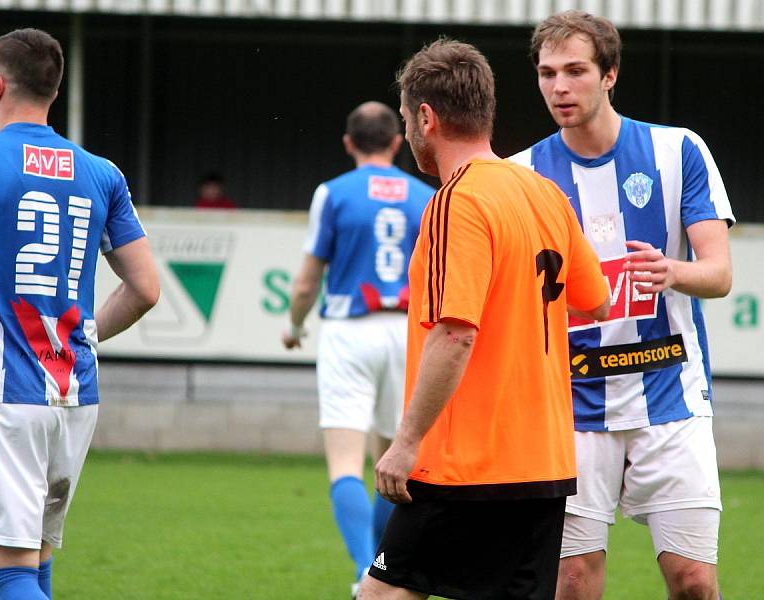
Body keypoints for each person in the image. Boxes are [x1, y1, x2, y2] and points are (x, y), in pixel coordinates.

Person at [358, 39, 610, 600]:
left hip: (468, 462)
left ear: (425, 118)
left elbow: (455, 332)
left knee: (382, 594)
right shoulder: (545, 193)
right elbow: (595, 301)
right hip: (544, 461)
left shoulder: (458, 199)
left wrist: (405, 442)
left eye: (407, 117)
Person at [510, 11, 734, 600]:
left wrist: (672, 270)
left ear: (609, 74)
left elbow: (718, 274)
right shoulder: (522, 176)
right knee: (572, 581)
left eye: (576, 70)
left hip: (672, 393)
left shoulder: (678, 149)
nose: (560, 87)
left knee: (692, 582)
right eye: (547, 73)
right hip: (572, 405)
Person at [0, 29, 159, 599]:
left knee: (6, 575)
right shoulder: (102, 173)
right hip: (75, 390)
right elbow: (145, 289)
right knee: (37, 561)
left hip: (3, 391)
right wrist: (86, 332)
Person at [281, 101, 434, 597]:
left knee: (345, 462)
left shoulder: (333, 193)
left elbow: (307, 282)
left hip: (350, 330)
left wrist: (294, 325)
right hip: (407, 333)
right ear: (396, 143)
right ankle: (384, 574)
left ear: (348, 143)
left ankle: (362, 573)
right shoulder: (426, 196)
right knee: (393, 460)